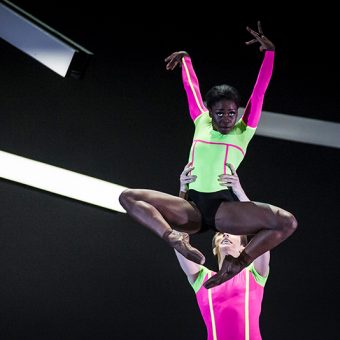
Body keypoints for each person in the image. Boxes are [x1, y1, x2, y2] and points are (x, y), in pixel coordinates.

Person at [119, 22, 297, 288]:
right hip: (190, 209)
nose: (227, 118)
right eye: (220, 113)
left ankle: (237, 263)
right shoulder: (201, 121)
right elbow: (191, 88)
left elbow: (259, 91)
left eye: (231, 113)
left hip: (224, 210)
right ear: (210, 112)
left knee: (287, 223)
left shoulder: (244, 129)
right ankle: (172, 238)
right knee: (128, 197)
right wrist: (186, 60)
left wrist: (270, 54)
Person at [174, 162, 269, 339]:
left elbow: (261, 225)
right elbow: (178, 241)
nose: (225, 233)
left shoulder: (255, 274)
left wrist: (239, 191)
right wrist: (183, 194)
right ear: (215, 248)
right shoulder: (202, 279)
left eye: (232, 232)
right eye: (219, 234)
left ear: (244, 246)